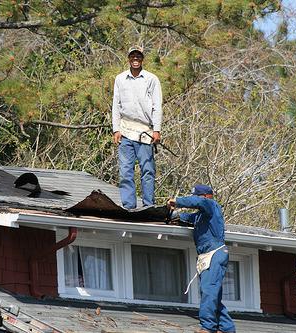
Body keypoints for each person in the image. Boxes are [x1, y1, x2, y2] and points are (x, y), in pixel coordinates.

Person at [167, 184, 236, 333]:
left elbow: (199, 203)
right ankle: (226, 328)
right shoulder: (200, 216)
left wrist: (177, 201)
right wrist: (171, 214)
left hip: (215, 253)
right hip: (207, 256)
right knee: (213, 294)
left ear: (205, 196)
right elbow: (184, 217)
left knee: (209, 291)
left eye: (197, 196)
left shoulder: (211, 205)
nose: (195, 199)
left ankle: (208, 327)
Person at [112, 46, 162, 209]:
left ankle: (148, 205)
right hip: (126, 130)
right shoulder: (120, 79)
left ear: (142, 59)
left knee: (147, 171)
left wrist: (157, 129)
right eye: (132, 56)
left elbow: (157, 106)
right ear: (128, 58)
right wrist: (116, 129)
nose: (135, 59)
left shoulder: (151, 79)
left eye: (138, 56)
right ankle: (129, 206)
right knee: (125, 172)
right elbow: (116, 105)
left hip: (145, 132)